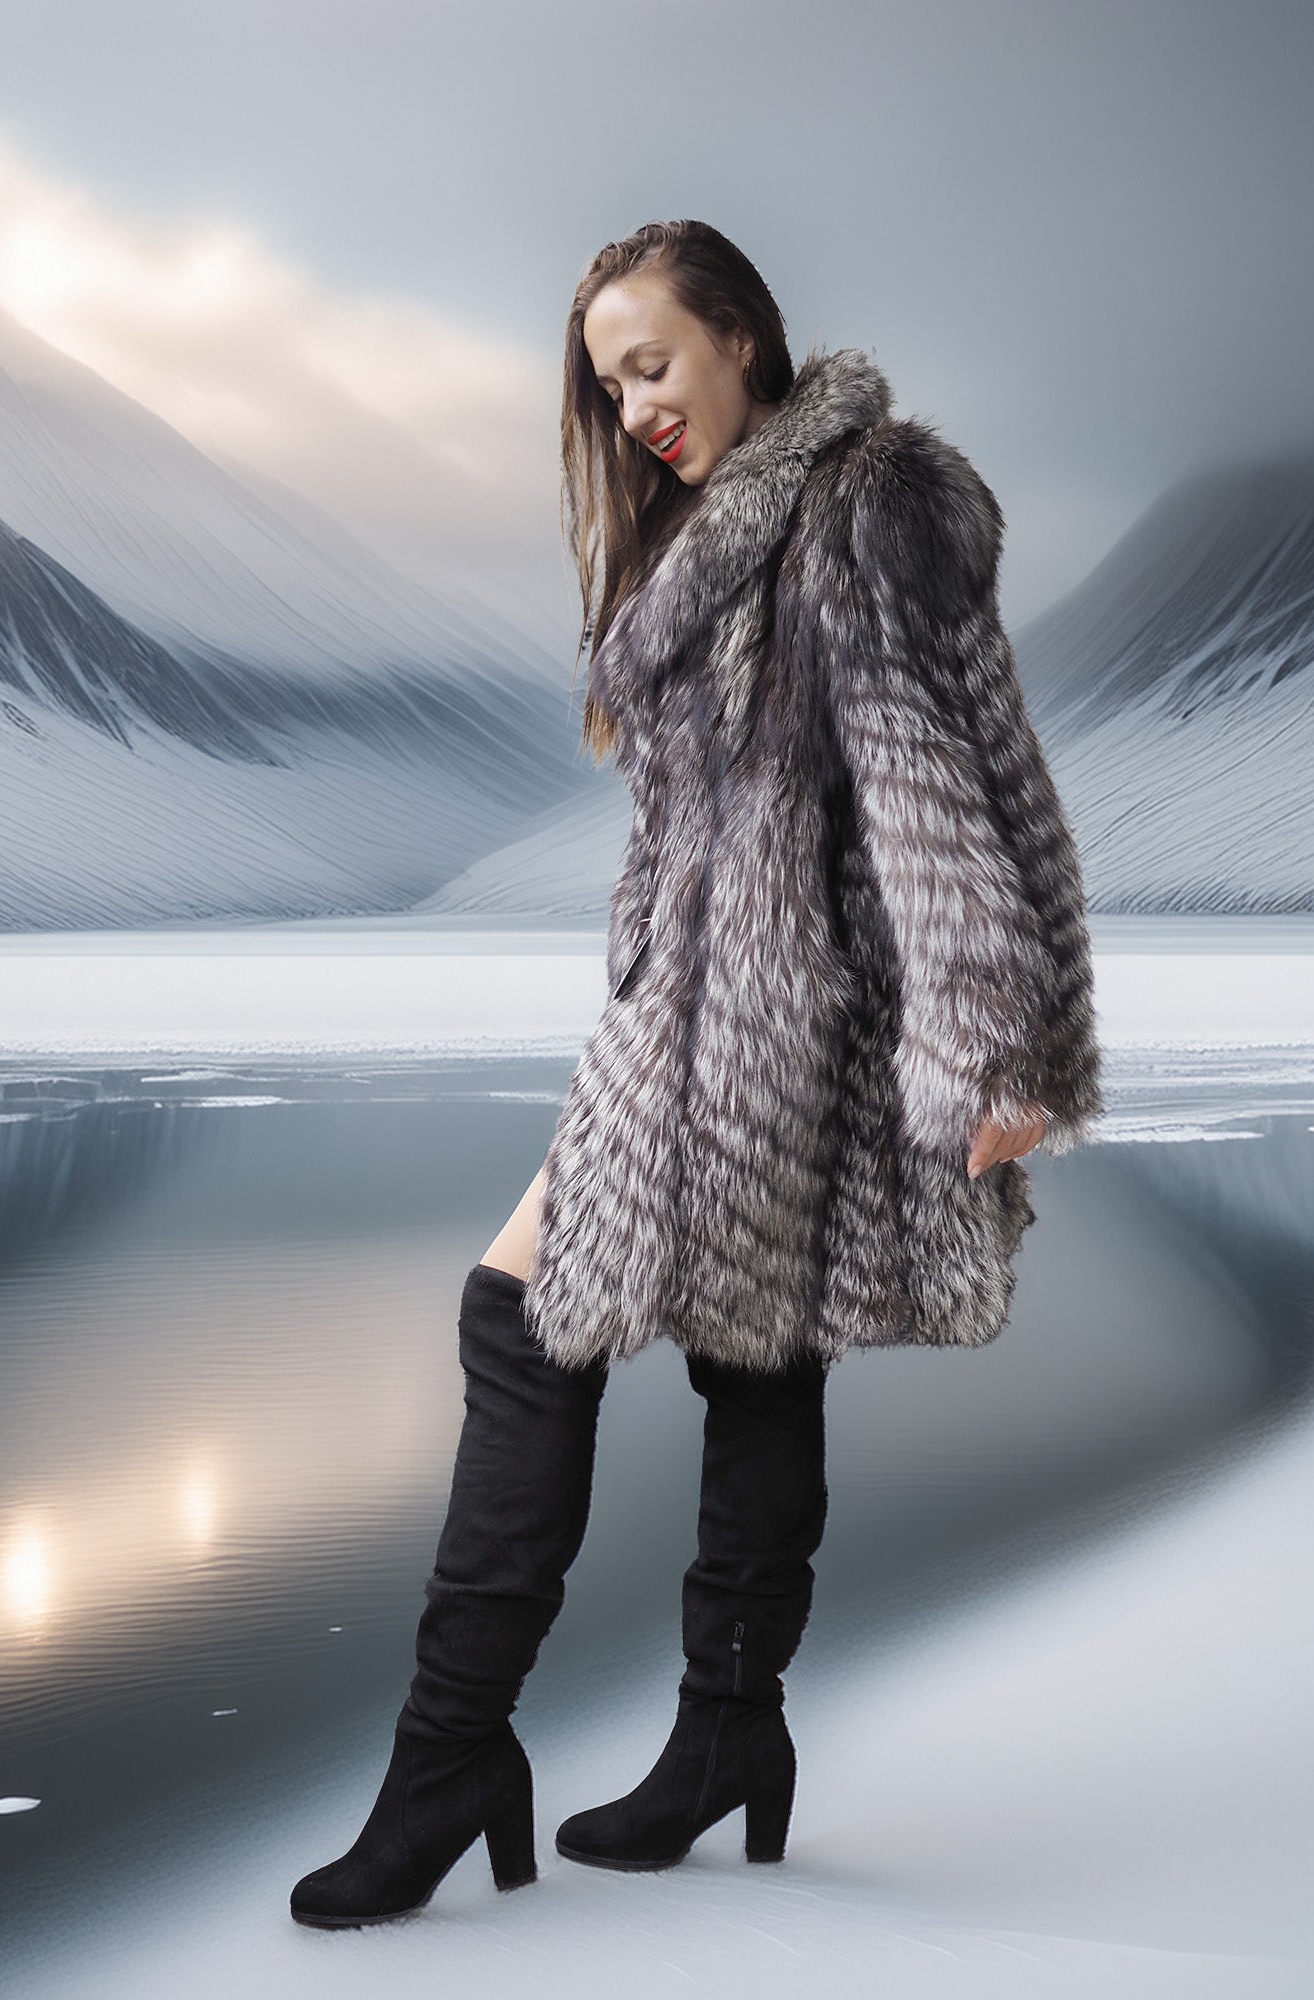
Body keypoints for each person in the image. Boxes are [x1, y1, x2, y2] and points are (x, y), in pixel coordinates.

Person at [289, 219, 1102, 1928]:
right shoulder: (711, 540)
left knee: (569, 1328)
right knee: (716, 1356)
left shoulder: (859, 506)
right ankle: (703, 1738)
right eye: (607, 385)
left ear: (741, 333)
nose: (635, 408)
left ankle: (471, 1758)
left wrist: (997, 1047)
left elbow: (937, 788)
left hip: (794, 1025)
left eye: (652, 363)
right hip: (689, 1017)